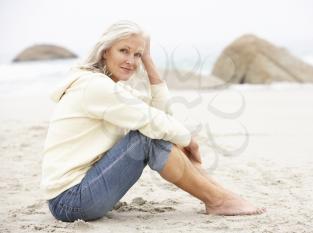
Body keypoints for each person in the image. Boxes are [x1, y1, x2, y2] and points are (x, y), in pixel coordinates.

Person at [41, 20, 266, 222]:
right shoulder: (95, 87)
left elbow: (161, 114)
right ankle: (218, 200)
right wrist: (189, 141)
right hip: (71, 201)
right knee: (148, 138)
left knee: (157, 132)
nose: (131, 60)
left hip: (83, 190)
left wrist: (148, 61)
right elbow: (153, 121)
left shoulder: (110, 87)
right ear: (105, 51)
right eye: (124, 51)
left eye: (137, 54)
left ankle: (221, 195)